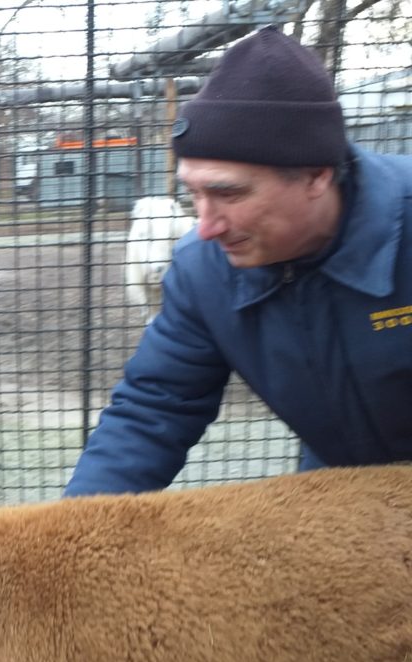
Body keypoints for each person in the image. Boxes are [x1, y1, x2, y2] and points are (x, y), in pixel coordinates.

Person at [64, 26, 412, 498]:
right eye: (194, 194)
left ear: (315, 176)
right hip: (345, 491)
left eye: (228, 193)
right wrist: (77, 538)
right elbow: (153, 410)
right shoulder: (203, 272)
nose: (205, 227)